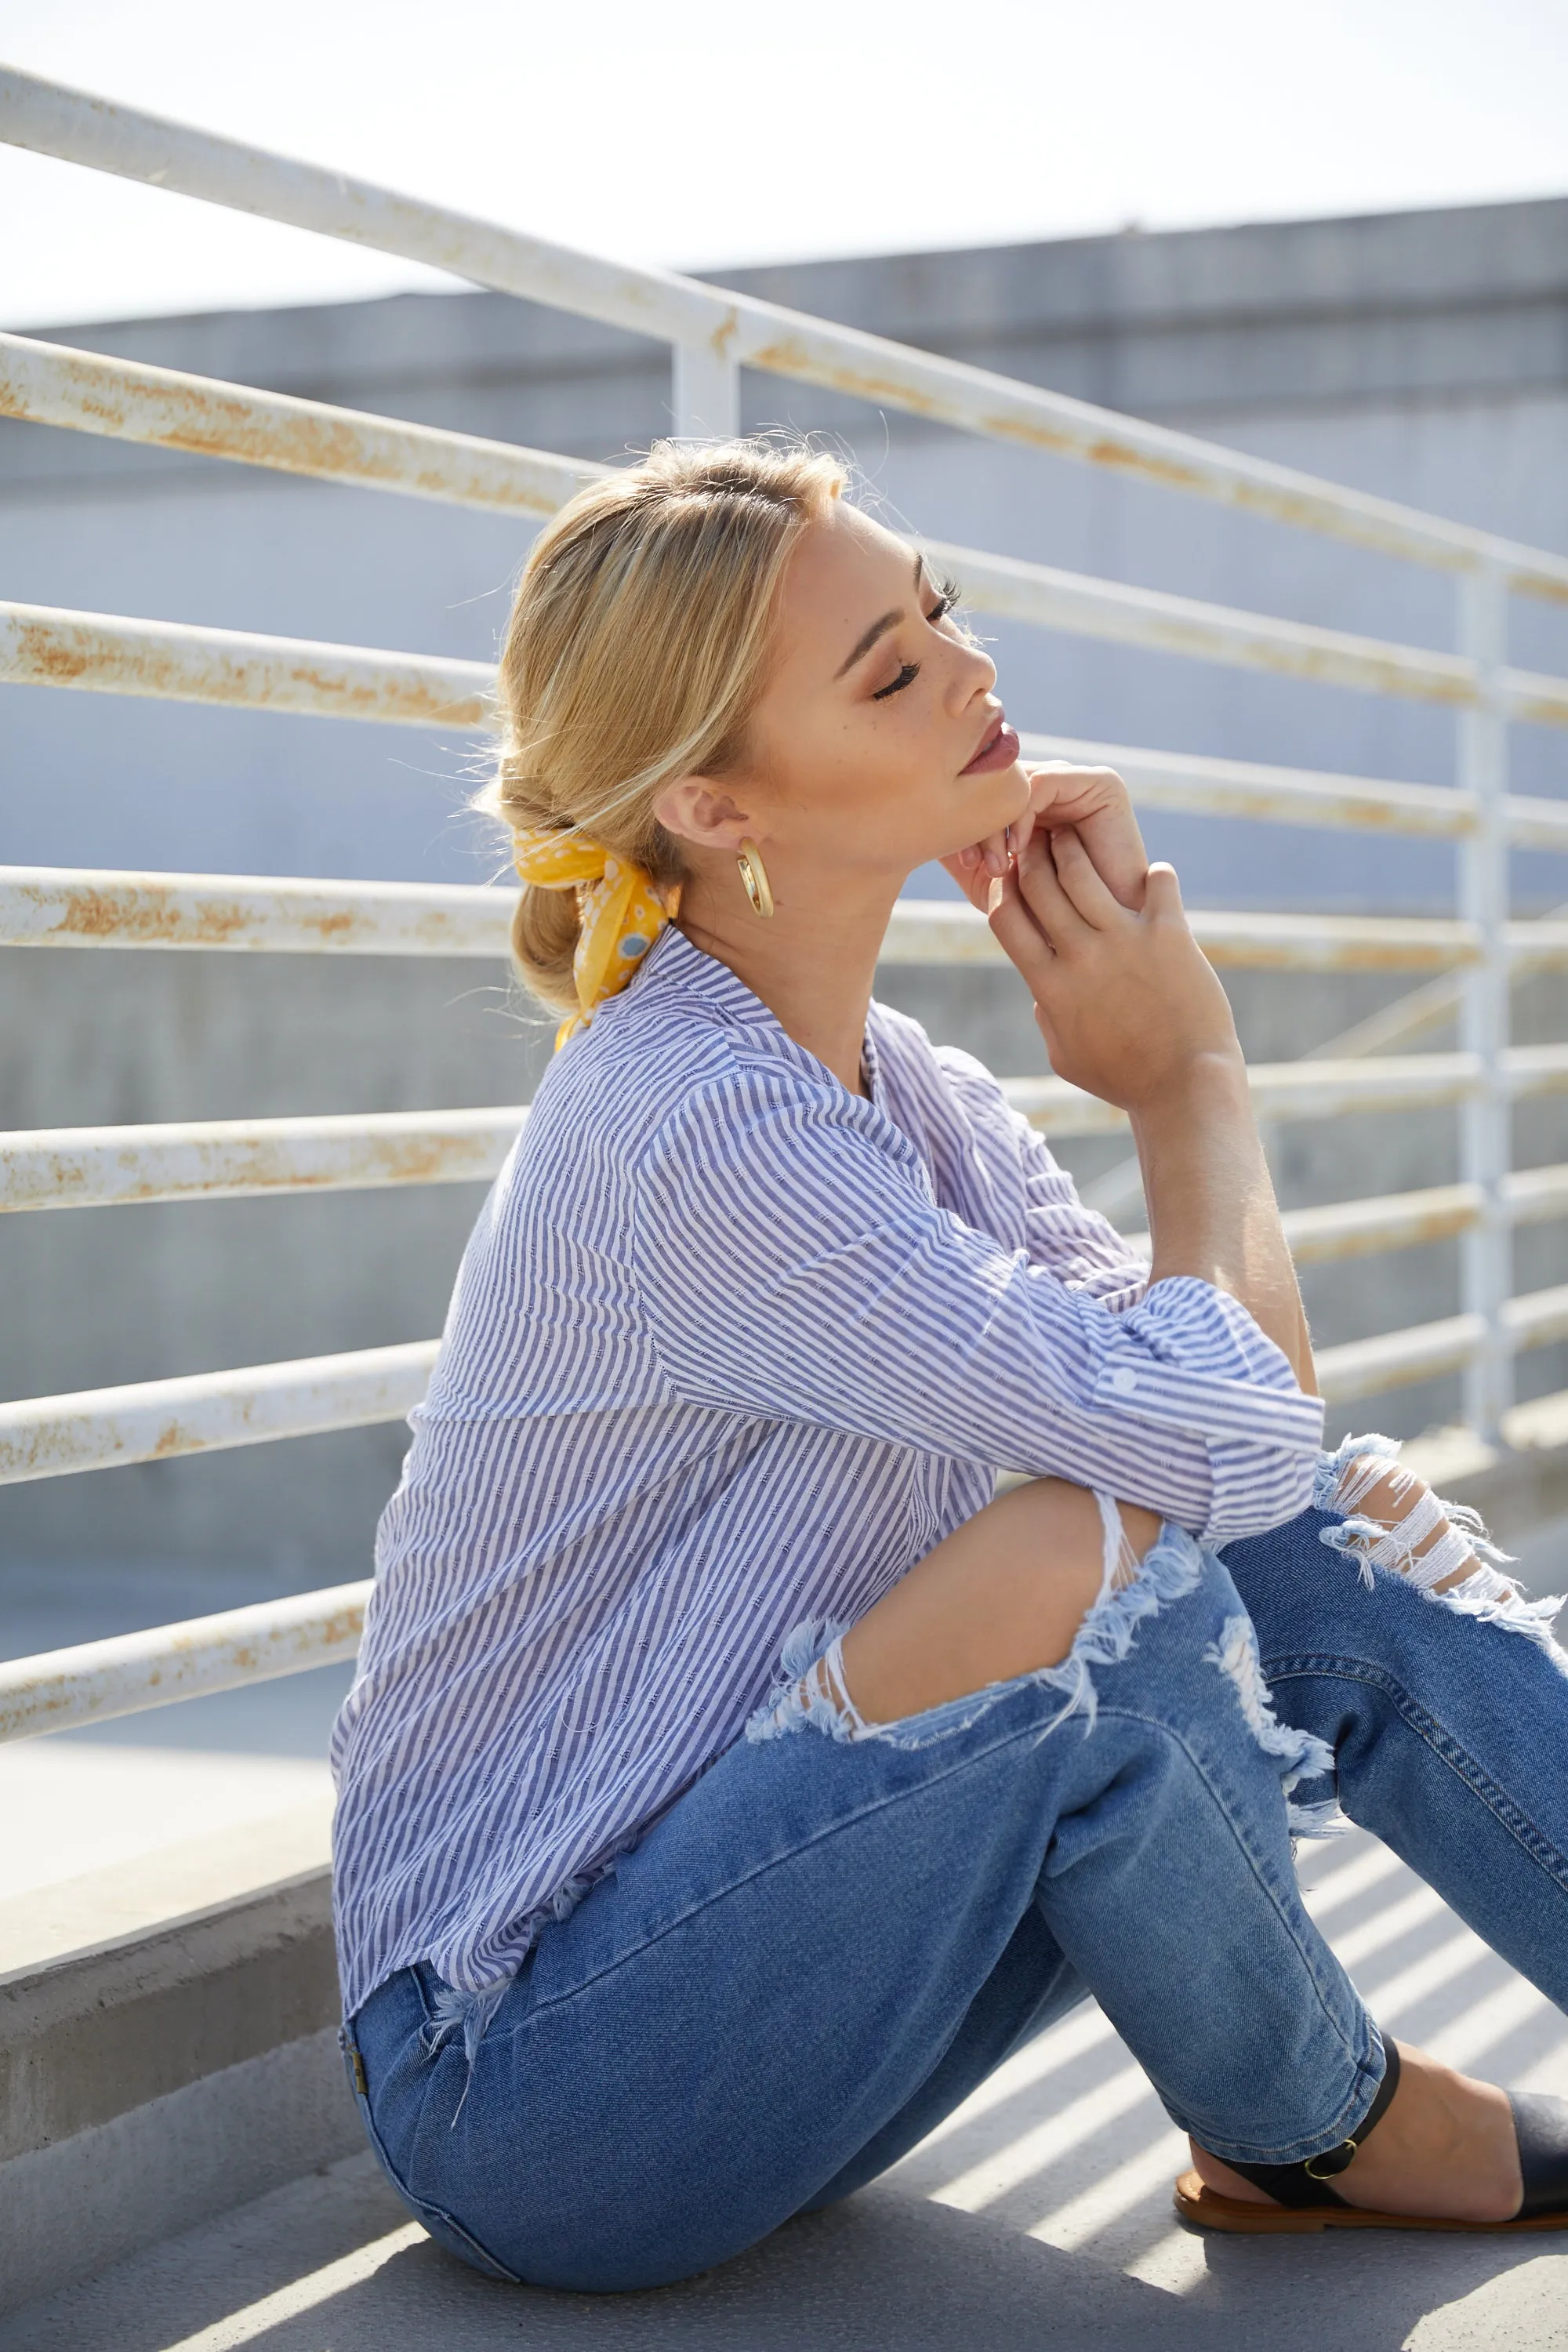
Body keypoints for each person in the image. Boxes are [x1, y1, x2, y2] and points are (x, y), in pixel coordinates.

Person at [330, 439, 1568, 2292]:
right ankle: (1328, 2119)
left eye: (943, 621)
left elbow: (1245, 1442)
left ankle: (1304, 2136)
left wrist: (1183, 1107)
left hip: (788, 1958)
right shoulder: (693, 1130)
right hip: (533, 2083)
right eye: (891, 669)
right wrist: (1187, 1082)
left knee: (1311, 1532)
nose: (974, 677)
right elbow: (1205, 1435)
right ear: (716, 805)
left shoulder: (903, 1085)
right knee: (1095, 1553)